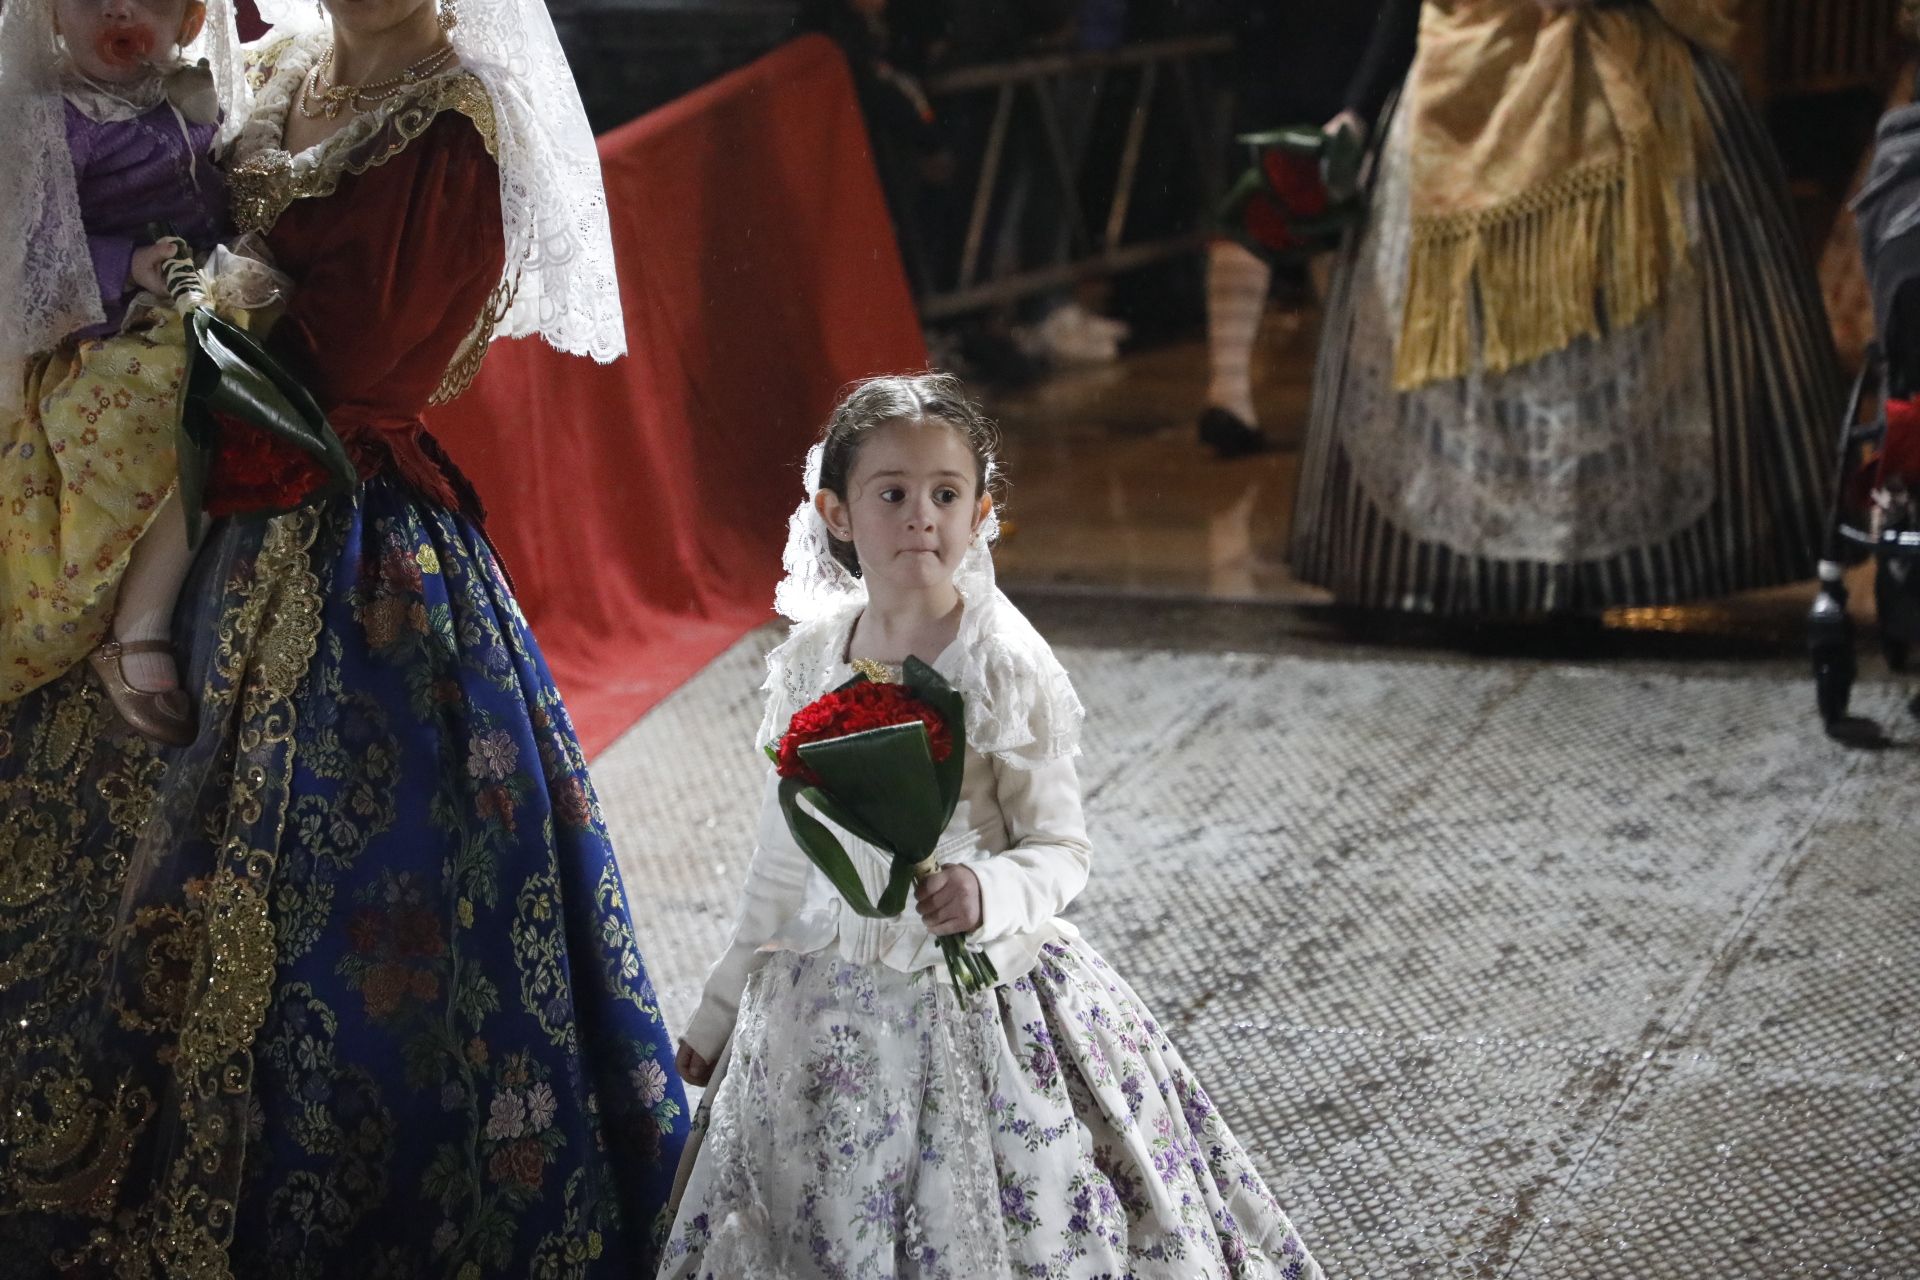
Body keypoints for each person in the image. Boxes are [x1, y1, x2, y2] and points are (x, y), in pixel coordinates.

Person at [0, 0, 688, 1270]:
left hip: (330, 536)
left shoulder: (458, 127)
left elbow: (350, 372)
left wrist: (189, 329)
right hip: (165, 473)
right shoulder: (269, 68)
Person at [658, 373, 1324, 1279]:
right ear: (838, 513)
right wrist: (722, 1004)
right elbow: (786, 860)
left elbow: (1061, 849)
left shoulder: (1002, 662)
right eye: (891, 494)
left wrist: (985, 891)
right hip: (832, 993)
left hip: (982, 982)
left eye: (945, 495)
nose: (920, 517)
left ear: (980, 512)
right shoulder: (815, 660)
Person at [1289, 0, 1841, 613]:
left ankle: (1591, 570)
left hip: (1622, 67)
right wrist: (1359, 109)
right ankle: (1484, 571)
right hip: (1463, 79)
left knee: (1623, 319)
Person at [0, 0, 241, 742]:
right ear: (49, 17)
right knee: (170, 389)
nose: (120, 9)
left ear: (193, 21)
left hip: (203, 292)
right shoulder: (48, 120)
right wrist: (126, 268)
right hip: (94, 327)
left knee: (232, 363)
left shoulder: (193, 94)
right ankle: (139, 620)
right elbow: (26, 249)